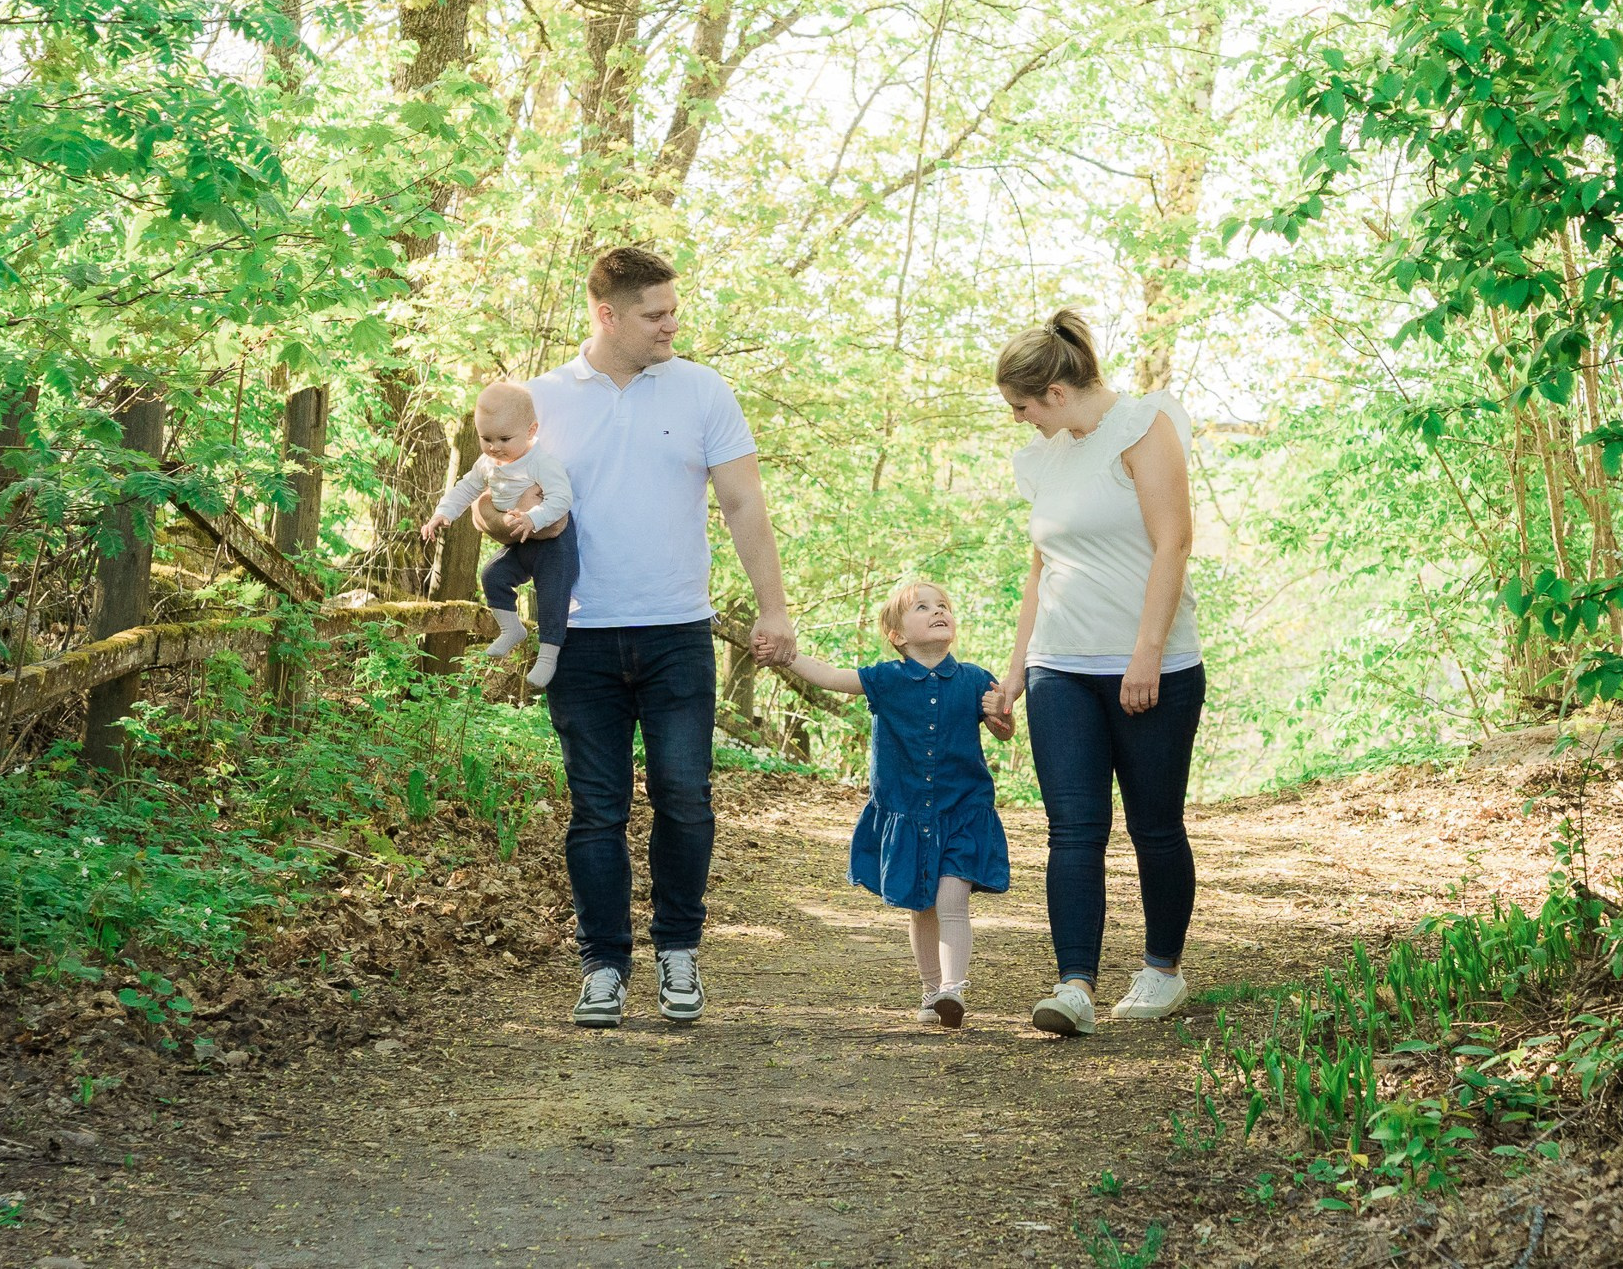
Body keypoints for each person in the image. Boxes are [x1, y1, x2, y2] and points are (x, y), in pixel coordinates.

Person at [470, 246, 796, 1029]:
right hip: (578, 635)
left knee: (685, 796)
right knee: (596, 808)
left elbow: (744, 505)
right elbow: (492, 502)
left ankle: (678, 950)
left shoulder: (703, 390)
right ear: (607, 315)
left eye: (673, 309)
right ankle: (603, 965)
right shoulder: (539, 399)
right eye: (656, 313)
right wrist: (495, 519)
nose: (671, 324)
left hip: (677, 631)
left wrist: (773, 608)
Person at [990, 309, 1204, 1037]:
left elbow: (1174, 542)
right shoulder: (1047, 456)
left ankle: (1162, 970)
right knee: (1072, 829)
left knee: (1154, 825)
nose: (1019, 420)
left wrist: (1147, 650)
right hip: (1061, 667)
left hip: (1153, 667)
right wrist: (1017, 669)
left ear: (1052, 391)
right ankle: (1074, 985)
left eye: (1021, 406)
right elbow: (1039, 569)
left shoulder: (1143, 426)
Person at [789, 580, 1013, 1027]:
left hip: (962, 811)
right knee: (921, 904)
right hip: (908, 813)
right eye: (923, 607)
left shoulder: (974, 679)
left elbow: (1002, 731)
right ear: (897, 635)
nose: (938, 611)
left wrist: (1000, 713)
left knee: (952, 899)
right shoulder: (886, 679)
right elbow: (832, 677)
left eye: (944, 606)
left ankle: (953, 988)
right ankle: (931, 989)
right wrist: (786, 655)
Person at [420, 381, 576, 688]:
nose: (495, 446)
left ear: (531, 431)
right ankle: (511, 628)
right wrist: (443, 513)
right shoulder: (488, 463)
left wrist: (534, 517)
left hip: (553, 544)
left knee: (552, 594)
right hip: (518, 540)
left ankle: (547, 656)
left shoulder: (542, 462)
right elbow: (466, 488)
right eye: (486, 438)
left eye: (504, 438)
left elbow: (562, 498)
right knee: (493, 574)